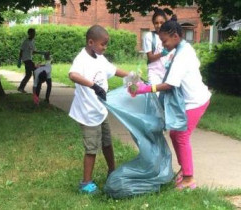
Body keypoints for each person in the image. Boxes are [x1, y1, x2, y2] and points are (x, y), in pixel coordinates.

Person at [129, 15, 211, 190]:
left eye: (164, 41)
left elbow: (169, 84)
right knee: (176, 134)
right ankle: (185, 169)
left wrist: (145, 88)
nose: (163, 45)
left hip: (196, 101)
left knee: (181, 136)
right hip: (191, 100)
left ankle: (189, 179)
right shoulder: (182, 48)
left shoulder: (183, 55)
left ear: (175, 36)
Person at [68, 25, 129, 194]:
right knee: (91, 148)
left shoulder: (99, 57)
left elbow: (114, 70)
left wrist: (131, 76)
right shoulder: (82, 59)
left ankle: (112, 171)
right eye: (103, 44)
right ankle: (86, 183)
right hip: (88, 113)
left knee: (107, 143)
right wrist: (93, 86)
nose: (105, 47)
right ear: (91, 42)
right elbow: (72, 75)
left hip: (100, 111)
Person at [143, 8, 170, 85]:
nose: (159, 25)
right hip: (154, 73)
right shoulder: (149, 36)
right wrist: (162, 54)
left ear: (166, 23)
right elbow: (150, 58)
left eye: (161, 22)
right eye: (156, 23)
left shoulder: (170, 36)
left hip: (168, 72)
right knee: (155, 94)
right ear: (153, 24)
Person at [17, 28, 43, 93]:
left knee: (28, 74)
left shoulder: (32, 42)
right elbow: (21, 51)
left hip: (29, 59)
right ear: (29, 34)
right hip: (26, 59)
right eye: (32, 33)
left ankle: (21, 87)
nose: (34, 34)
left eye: (34, 33)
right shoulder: (25, 42)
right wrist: (19, 60)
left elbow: (34, 52)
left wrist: (42, 53)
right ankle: (36, 86)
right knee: (35, 70)